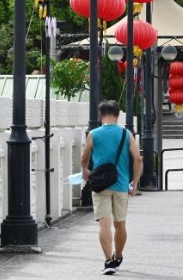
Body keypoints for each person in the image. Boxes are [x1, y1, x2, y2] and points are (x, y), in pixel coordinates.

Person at [81, 101, 142, 275]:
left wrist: (84, 171)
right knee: (120, 224)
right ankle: (118, 256)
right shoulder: (126, 134)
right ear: (117, 115)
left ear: (100, 116)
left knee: (104, 223)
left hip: (100, 185)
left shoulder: (93, 133)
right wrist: (135, 182)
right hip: (121, 185)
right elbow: (138, 159)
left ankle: (108, 261)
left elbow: (84, 156)